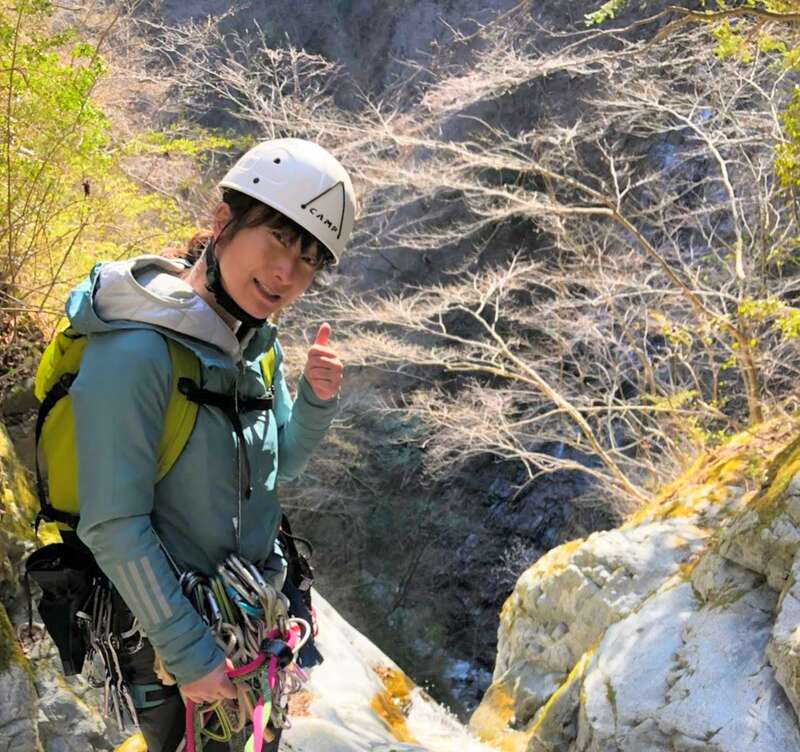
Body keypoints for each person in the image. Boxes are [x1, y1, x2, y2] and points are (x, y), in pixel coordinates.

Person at [61, 138, 356, 751]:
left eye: (307, 262)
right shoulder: (136, 350)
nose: (285, 274)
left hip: (253, 621)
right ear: (224, 223)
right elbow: (113, 524)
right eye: (277, 241)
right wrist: (189, 654)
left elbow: (280, 468)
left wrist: (317, 403)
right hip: (173, 640)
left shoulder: (257, 345)